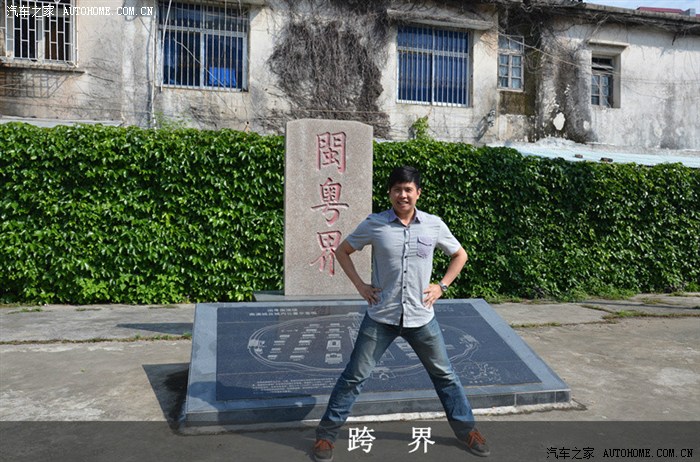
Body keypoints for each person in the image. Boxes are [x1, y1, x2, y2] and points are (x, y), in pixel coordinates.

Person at [312, 166, 490, 461]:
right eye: (397, 189)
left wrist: (442, 286)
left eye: (408, 189)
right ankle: (325, 436)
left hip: (421, 318)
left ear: (418, 193)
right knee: (354, 377)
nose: (403, 195)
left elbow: (460, 255)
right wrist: (360, 286)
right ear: (390, 193)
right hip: (381, 318)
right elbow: (342, 251)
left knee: (445, 376)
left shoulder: (433, 225)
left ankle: (467, 431)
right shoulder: (375, 224)